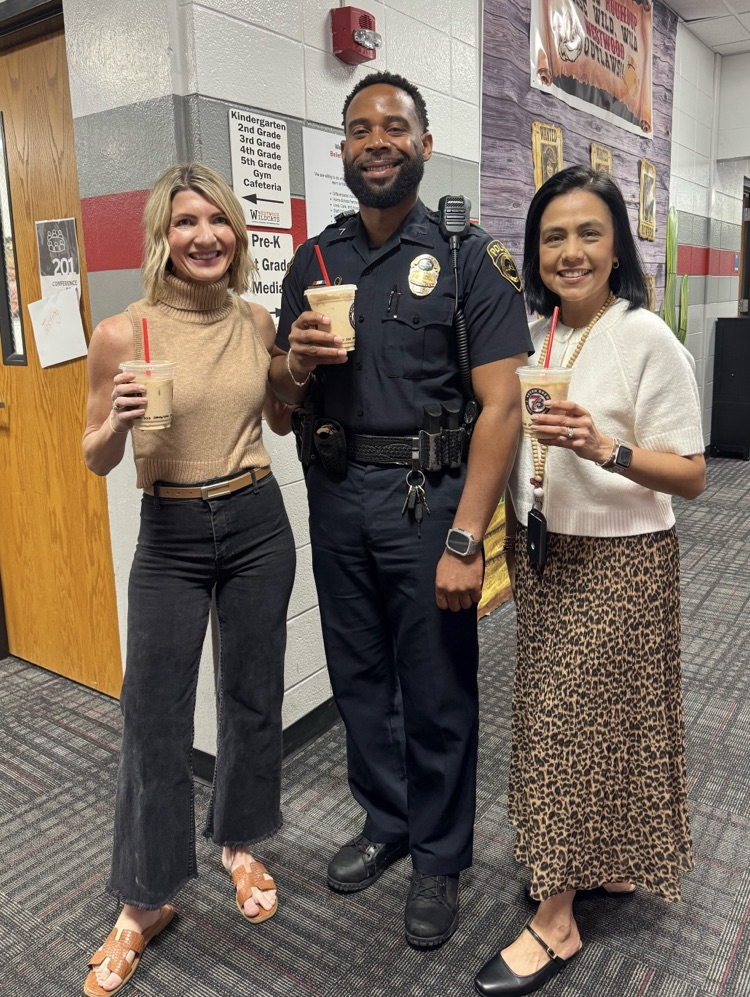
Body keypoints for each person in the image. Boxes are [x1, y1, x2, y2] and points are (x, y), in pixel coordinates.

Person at [271, 71, 531, 949]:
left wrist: (467, 537)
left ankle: (439, 857)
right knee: (359, 679)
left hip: (429, 503)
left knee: (438, 687)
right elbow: (276, 399)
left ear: (423, 143)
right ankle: (386, 820)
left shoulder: (469, 256)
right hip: (337, 492)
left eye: (394, 127)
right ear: (341, 149)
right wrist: (297, 363)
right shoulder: (312, 261)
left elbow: (503, 405)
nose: (375, 140)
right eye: (358, 129)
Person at [473, 165, 705, 996]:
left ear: (617, 249)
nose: (570, 251)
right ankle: (605, 859)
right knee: (581, 717)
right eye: (553, 237)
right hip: (547, 555)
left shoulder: (646, 337)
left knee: (568, 724)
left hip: (621, 560)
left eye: (588, 234)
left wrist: (604, 447)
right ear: (536, 253)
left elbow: (691, 475)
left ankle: (557, 916)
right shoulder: (542, 336)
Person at [81, 163, 296, 996]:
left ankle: (241, 843)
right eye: (184, 222)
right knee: (153, 714)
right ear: (160, 239)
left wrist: (298, 371)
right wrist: (117, 421)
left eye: (217, 220)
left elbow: (278, 416)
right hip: (168, 528)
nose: (203, 235)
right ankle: (144, 898)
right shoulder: (121, 331)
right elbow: (94, 453)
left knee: (252, 696)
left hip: (254, 520)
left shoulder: (254, 318)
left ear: (236, 234)